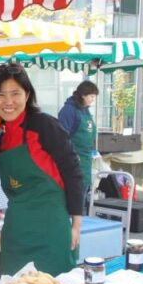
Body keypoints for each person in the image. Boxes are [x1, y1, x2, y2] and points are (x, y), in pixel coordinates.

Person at [0, 63, 84, 277]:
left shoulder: (44, 126)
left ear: (27, 95)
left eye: (15, 93)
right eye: (0, 95)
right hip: (16, 235)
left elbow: (73, 173)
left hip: (52, 233)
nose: (8, 102)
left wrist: (76, 226)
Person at [58, 80, 98, 209]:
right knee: (73, 198)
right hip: (74, 160)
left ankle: (80, 219)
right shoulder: (68, 111)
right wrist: (71, 156)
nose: (93, 99)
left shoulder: (85, 110)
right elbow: (61, 137)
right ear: (83, 95)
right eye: (91, 96)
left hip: (86, 160)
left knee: (82, 196)